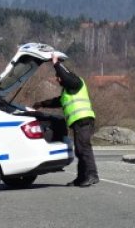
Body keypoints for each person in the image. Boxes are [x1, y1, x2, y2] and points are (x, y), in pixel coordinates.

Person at [33, 53, 99, 187]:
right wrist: (41, 104)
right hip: (78, 122)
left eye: (58, 77)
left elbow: (65, 77)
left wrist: (56, 64)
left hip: (84, 119)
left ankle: (92, 175)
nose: (58, 80)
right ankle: (81, 178)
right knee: (80, 150)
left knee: (83, 148)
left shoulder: (76, 82)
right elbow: (57, 101)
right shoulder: (67, 91)